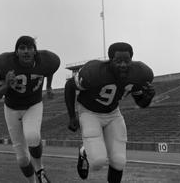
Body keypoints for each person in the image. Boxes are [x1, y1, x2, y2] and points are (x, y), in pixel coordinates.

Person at [64, 42, 155, 183]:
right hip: (89, 112)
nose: (123, 65)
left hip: (113, 113)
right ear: (110, 60)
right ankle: (84, 152)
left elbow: (141, 103)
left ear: (132, 59)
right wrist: (72, 116)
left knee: (119, 161)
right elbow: (69, 86)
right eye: (118, 61)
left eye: (127, 60)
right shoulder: (94, 72)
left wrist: (148, 98)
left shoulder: (139, 73)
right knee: (97, 162)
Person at [0, 36, 60, 183]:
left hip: (33, 104)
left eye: (30, 48)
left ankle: (40, 170)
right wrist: (6, 85)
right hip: (12, 108)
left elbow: (50, 70)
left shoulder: (47, 60)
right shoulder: (3, 64)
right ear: (16, 52)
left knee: (33, 136)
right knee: (22, 159)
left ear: (35, 51)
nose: (26, 51)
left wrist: (48, 86)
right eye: (22, 48)